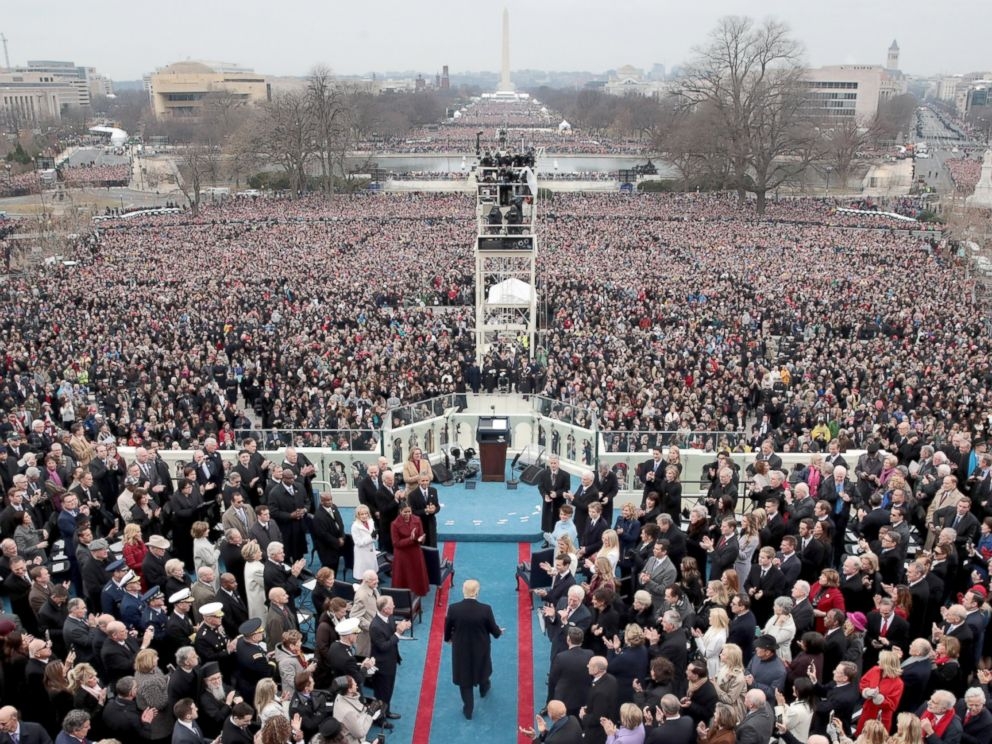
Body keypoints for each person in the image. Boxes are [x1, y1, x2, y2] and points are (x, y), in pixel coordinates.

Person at [444, 579, 503, 720]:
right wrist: (499, 632)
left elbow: (448, 628)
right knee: (482, 667)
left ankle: (468, 709)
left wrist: (448, 639)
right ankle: (484, 689)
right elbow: (493, 629)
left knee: (464, 677)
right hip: (481, 647)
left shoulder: (453, 608)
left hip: (461, 648)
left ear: (463, 591)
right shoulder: (485, 609)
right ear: (477, 592)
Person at [856, 649, 903, 734]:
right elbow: (863, 682)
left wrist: (878, 698)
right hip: (868, 711)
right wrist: (867, 691)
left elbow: (892, 705)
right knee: (861, 735)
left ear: (887, 664)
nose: (878, 662)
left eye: (880, 660)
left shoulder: (898, 683)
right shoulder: (875, 670)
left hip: (881, 717)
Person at [389, 503, 429, 596]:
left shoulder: (417, 519)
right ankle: (402, 595)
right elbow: (396, 543)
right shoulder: (394, 524)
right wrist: (410, 539)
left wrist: (421, 539)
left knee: (416, 573)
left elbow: (421, 534)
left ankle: (418, 591)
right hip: (402, 554)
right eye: (405, 512)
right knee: (404, 576)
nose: (407, 514)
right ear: (400, 511)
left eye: (409, 511)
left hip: (415, 552)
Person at [407, 475, 441, 548]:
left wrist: (434, 510)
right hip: (420, 524)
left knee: (433, 545)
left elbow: (437, 506)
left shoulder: (433, 491)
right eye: (423, 481)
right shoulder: (412, 495)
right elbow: (412, 512)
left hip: (431, 523)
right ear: (419, 481)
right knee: (422, 546)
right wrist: (425, 511)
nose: (425, 482)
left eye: (427, 480)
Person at [351, 505, 379, 579]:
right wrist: (370, 537)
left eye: (366, 513)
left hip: (371, 551)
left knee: (372, 574)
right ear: (358, 515)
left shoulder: (370, 521)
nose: (364, 516)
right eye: (362, 514)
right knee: (363, 576)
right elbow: (358, 543)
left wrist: (375, 536)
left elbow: (374, 537)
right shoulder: (355, 526)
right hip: (362, 553)